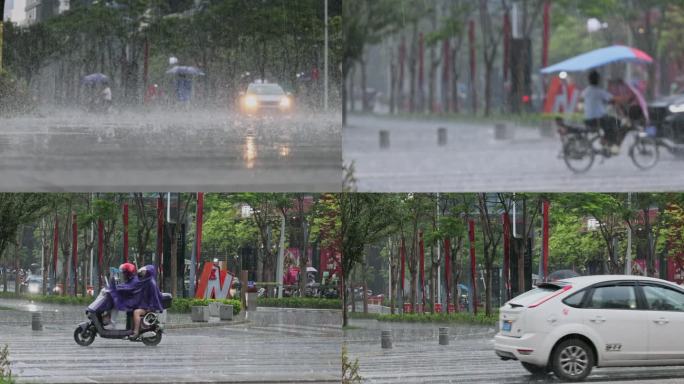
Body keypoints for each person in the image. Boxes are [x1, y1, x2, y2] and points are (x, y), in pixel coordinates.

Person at [581, 70, 622, 155]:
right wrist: (625, 99)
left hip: (587, 119)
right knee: (617, 122)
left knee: (610, 121)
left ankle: (605, 141)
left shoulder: (585, 91)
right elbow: (612, 99)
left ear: (589, 80)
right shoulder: (599, 91)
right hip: (597, 119)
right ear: (598, 80)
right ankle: (605, 141)